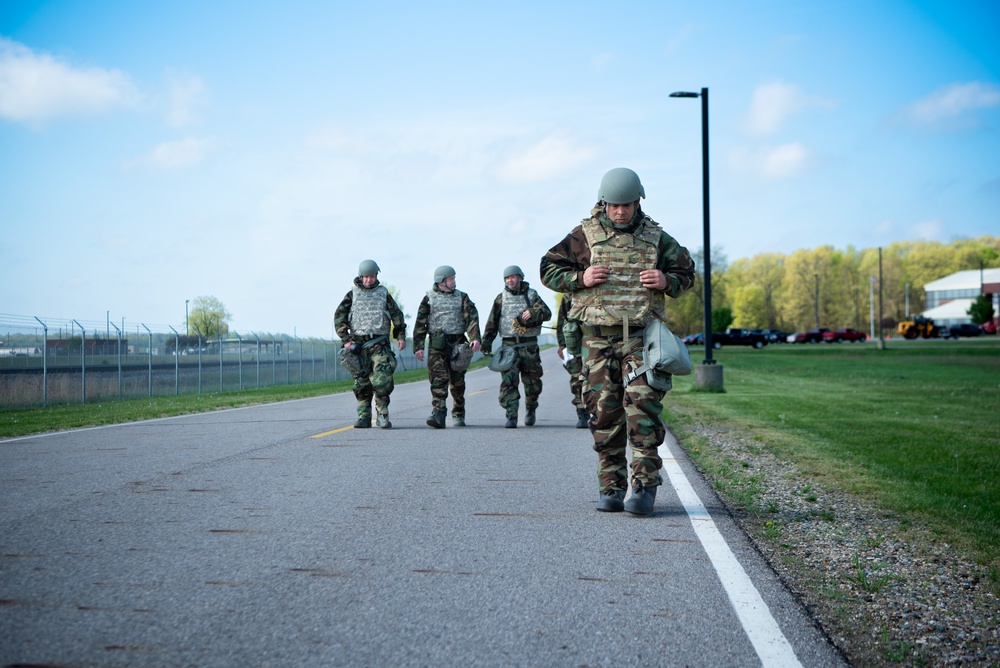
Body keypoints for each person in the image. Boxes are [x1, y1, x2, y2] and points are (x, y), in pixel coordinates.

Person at [540, 168, 695, 515]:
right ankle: (610, 487)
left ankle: (644, 489)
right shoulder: (584, 236)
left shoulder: (657, 238)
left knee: (643, 413)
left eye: (626, 205)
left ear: (638, 201)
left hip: (641, 338)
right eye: (614, 205)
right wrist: (580, 277)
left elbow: (687, 274)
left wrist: (666, 280)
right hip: (596, 341)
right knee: (604, 414)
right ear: (603, 204)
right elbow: (548, 269)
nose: (620, 212)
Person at [334, 259, 407, 429]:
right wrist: (346, 340)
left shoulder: (383, 293)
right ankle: (364, 416)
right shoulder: (352, 295)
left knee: (382, 380)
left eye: (372, 276)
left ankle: (382, 413)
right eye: (366, 277)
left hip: (379, 343)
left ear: (376, 276)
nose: (369, 280)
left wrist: (400, 335)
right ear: (361, 277)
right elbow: (339, 318)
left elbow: (397, 315)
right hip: (358, 345)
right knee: (361, 382)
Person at [481, 265, 552, 429]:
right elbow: (492, 322)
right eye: (507, 278)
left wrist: (534, 313)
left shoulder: (532, 295)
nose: (510, 280)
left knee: (533, 384)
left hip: (529, 346)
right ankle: (511, 415)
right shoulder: (501, 298)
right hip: (509, 347)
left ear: (520, 277)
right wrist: (486, 343)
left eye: (513, 277)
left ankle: (531, 408)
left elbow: (547, 314)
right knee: (509, 383)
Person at [412, 265, 482, 428]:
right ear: (441, 281)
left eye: (454, 278)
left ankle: (458, 412)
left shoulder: (462, 297)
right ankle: (438, 413)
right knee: (438, 379)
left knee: (457, 382)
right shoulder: (429, 298)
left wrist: (475, 338)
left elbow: (472, 318)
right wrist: (419, 346)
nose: (454, 281)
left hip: (458, 344)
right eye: (451, 279)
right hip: (437, 345)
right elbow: (420, 323)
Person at [555, 293, 589, 429]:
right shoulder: (570, 294)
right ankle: (582, 412)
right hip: (574, 342)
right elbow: (562, 320)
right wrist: (562, 345)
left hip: (598, 339)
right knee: (577, 378)